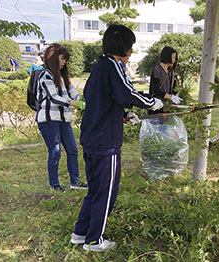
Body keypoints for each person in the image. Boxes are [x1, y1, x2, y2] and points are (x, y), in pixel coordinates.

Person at [70, 24, 163, 252]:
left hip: (93, 138)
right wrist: (152, 102)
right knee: (106, 191)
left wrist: (124, 114)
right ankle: (94, 241)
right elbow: (126, 93)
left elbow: (103, 101)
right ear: (121, 46)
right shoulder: (113, 66)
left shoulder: (100, 67)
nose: (131, 51)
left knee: (95, 189)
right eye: (130, 46)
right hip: (105, 142)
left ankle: (80, 233)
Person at [36, 43, 87, 193]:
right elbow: (53, 97)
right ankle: (54, 185)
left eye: (66, 60)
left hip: (64, 120)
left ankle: (75, 182)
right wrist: (74, 103)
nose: (64, 62)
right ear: (53, 58)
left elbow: (74, 93)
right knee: (55, 151)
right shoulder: (45, 75)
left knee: (72, 150)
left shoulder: (63, 77)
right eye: (62, 59)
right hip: (49, 120)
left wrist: (84, 100)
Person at [148, 46, 182, 114]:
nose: (175, 60)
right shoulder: (157, 70)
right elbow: (156, 90)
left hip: (167, 107)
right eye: (173, 57)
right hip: (156, 105)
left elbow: (174, 87)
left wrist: (176, 95)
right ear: (167, 56)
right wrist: (171, 97)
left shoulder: (171, 72)